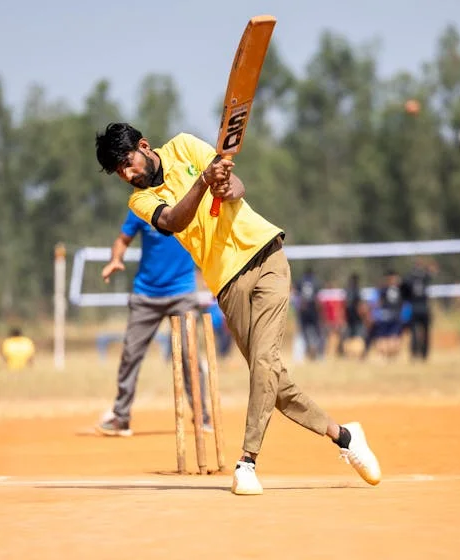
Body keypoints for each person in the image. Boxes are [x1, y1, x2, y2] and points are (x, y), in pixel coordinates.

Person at [95, 122, 380, 495]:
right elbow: (174, 220)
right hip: (226, 281)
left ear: (144, 146)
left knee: (263, 363)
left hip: (266, 255)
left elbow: (237, 187)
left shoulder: (184, 146)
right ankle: (344, 436)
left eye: (127, 162)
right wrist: (203, 183)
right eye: (118, 172)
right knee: (273, 379)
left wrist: (227, 185)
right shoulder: (140, 201)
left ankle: (247, 461)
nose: (127, 174)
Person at [96, 210, 212, 437]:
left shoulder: (187, 202)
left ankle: (202, 416)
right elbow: (122, 239)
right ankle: (121, 417)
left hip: (182, 292)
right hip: (145, 294)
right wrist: (115, 259)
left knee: (190, 357)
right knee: (130, 353)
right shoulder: (142, 205)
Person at [401, 259, 434, 361]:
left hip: (414, 308)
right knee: (426, 332)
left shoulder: (408, 277)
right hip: (424, 308)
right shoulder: (425, 276)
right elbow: (432, 271)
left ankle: (415, 353)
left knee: (414, 332)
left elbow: (403, 290)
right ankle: (424, 354)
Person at [293, 266, 324, 360]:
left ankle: (299, 356)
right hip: (313, 310)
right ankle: (319, 355)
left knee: (302, 332)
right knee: (317, 332)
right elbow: (318, 298)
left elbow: (295, 293)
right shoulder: (316, 281)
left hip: (303, 310)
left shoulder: (300, 281)